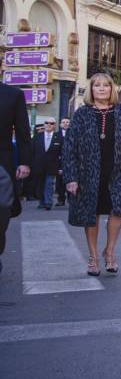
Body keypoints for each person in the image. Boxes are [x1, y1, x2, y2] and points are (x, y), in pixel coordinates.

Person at [62, 72, 121, 276]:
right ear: (91, 89)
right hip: (89, 173)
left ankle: (110, 253)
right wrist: (71, 177)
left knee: (117, 211)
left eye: (106, 85)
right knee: (92, 214)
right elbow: (69, 148)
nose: (102, 88)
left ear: (112, 89)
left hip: (119, 171)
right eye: (97, 85)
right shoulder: (82, 114)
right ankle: (93, 257)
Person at [0, 82, 32, 275]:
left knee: (2, 213)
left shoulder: (13, 94)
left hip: (1, 164)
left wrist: (25, 162)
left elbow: (23, 132)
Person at [31, 117, 62, 211]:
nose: (49, 124)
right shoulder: (37, 136)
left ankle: (48, 202)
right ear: (44, 124)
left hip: (52, 165)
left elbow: (63, 153)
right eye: (47, 123)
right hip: (38, 164)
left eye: (51, 123)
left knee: (49, 184)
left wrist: (61, 167)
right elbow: (32, 151)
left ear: (54, 125)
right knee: (40, 184)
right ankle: (42, 202)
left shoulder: (59, 137)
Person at [55, 117, 70, 206]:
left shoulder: (74, 134)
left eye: (67, 122)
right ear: (60, 124)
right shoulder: (56, 135)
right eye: (63, 122)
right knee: (60, 181)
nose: (65, 124)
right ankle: (61, 199)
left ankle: (70, 199)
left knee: (70, 180)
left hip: (70, 161)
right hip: (59, 161)